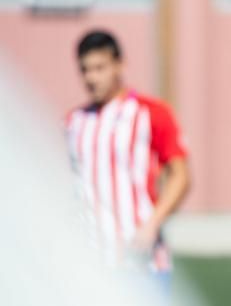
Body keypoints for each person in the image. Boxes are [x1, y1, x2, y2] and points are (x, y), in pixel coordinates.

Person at [65, 29, 190, 279]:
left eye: (100, 68)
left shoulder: (149, 113)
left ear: (119, 65)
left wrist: (152, 224)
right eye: (85, 70)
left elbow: (180, 175)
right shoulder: (73, 122)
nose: (92, 78)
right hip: (90, 266)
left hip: (141, 262)